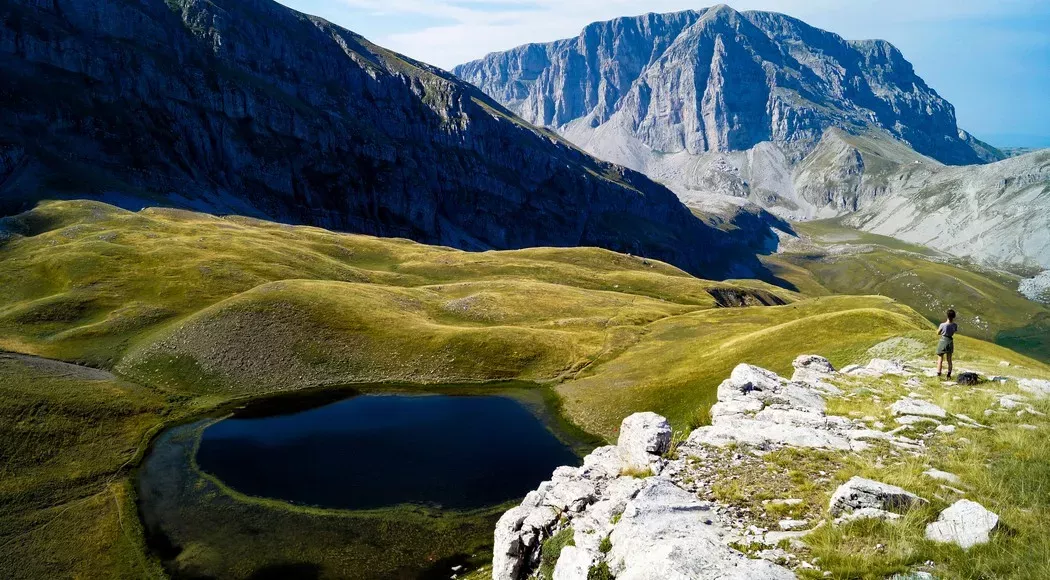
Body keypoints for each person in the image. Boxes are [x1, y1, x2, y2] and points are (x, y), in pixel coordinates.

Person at [937, 309, 958, 379]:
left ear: (947, 316)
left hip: (943, 340)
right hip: (950, 341)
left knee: (940, 359)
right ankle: (949, 375)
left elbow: (938, 333)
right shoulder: (955, 325)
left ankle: (938, 374)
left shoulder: (942, 325)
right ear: (954, 316)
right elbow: (954, 331)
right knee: (949, 359)